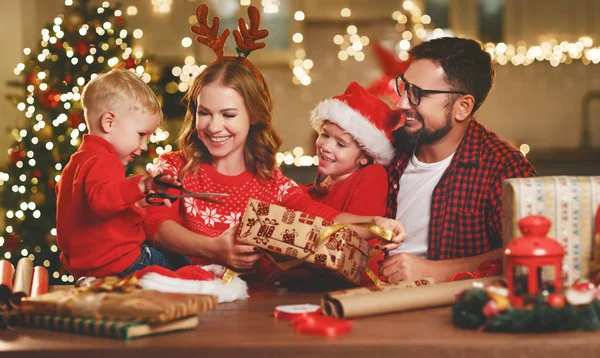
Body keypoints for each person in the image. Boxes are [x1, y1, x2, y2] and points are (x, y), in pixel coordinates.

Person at [382, 37, 537, 284]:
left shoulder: (502, 168)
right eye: (403, 87)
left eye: (417, 94)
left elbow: (529, 250)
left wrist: (435, 271)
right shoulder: (386, 150)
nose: (401, 103)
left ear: (463, 107)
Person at [56, 68, 189, 279]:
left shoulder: (76, 163)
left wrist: (139, 200)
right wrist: (142, 184)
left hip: (86, 266)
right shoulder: (104, 160)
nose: (144, 146)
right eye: (141, 134)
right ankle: (211, 287)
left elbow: (92, 209)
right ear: (109, 122)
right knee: (181, 262)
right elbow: (101, 200)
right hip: (119, 262)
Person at [295, 81, 403, 285]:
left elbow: (352, 244)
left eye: (340, 144)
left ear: (365, 156)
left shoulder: (372, 175)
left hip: (353, 290)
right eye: (325, 134)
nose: (326, 146)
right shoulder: (308, 190)